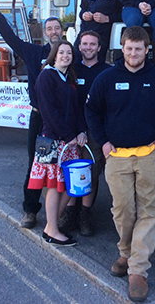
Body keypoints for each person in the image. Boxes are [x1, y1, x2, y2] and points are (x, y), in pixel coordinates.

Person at [85, 26, 155, 302]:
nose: (133, 53)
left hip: (150, 155)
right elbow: (91, 110)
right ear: (122, 48)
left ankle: (138, 270)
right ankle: (126, 253)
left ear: (147, 50)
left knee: (149, 212)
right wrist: (102, 141)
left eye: (138, 48)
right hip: (116, 156)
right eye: (129, 48)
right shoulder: (106, 78)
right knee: (123, 210)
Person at [0, 0, 63, 229]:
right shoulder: (34, 53)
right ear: (45, 32)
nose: (53, 32)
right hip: (41, 119)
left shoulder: (70, 55)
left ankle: (65, 212)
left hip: (63, 120)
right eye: (49, 28)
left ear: (63, 32)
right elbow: (10, 38)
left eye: (57, 28)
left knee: (63, 164)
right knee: (36, 164)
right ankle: (30, 209)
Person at [28, 40, 87, 246]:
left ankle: (50, 227)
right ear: (54, 55)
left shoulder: (69, 78)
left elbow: (77, 109)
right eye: (61, 52)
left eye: (69, 53)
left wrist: (80, 131)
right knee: (54, 187)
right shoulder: (46, 76)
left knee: (65, 187)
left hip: (69, 142)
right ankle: (52, 229)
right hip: (54, 141)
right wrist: (68, 135)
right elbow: (48, 112)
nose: (65, 56)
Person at [60, 30, 111, 237]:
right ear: (78, 47)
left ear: (99, 48)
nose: (88, 47)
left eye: (93, 44)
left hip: (95, 130)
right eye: (84, 44)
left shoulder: (107, 71)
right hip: (72, 129)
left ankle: (85, 214)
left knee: (90, 172)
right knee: (70, 172)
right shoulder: (71, 70)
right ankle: (71, 213)